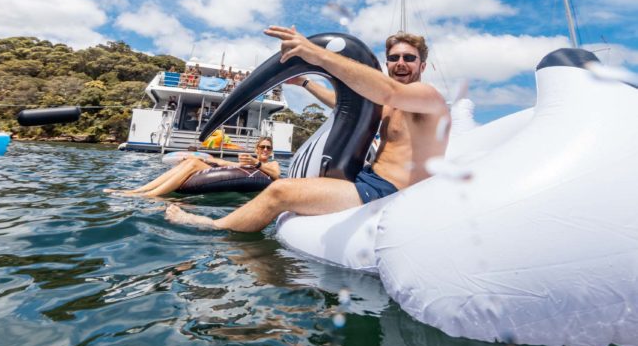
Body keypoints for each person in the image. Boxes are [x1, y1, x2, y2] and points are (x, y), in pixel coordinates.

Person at [165, 25, 449, 232]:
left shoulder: (427, 97)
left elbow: (386, 91)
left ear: (422, 64)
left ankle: (211, 226)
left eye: (409, 58)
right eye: (394, 58)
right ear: (387, 62)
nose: (400, 64)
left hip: (390, 191)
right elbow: (341, 103)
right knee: (285, 184)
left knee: (281, 192)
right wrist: (304, 82)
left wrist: (318, 55)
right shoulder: (393, 104)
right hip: (368, 178)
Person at [106, 136, 280, 197]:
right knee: (191, 162)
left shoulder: (272, 163)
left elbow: (276, 175)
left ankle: (150, 194)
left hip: (256, 183)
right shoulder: (246, 163)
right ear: (257, 149)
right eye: (262, 147)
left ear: (271, 151)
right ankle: (139, 190)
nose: (265, 150)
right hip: (239, 175)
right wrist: (212, 159)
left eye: (268, 148)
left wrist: (257, 163)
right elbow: (230, 165)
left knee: (193, 164)